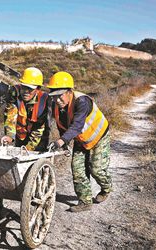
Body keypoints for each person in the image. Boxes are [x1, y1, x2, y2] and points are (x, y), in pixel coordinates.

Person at [47, 71, 112, 212]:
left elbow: (77, 125)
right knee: (77, 170)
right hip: (81, 140)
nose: (57, 100)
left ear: (70, 91)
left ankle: (106, 189)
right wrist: (64, 143)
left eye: (60, 96)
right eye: (54, 97)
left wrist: (60, 141)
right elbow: (61, 126)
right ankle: (85, 201)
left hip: (99, 137)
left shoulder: (82, 102)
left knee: (97, 169)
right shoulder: (56, 106)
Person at [1, 67, 49, 151]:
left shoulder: (43, 101)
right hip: (21, 134)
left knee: (33, 156)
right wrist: (10, 135)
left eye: (30, 89)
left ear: (37, 89)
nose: (26, 92)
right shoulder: (14, 93)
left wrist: (28, 149)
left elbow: (39, 129)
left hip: (38, 136)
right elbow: (10, 115)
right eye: (24, 87)